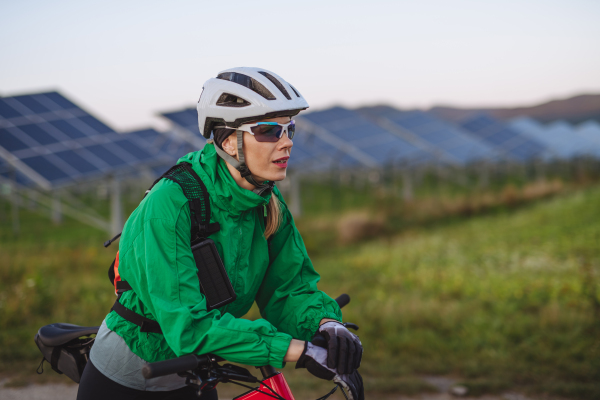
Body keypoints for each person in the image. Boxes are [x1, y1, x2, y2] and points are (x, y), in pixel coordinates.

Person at [77, 67, 364, 400]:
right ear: (229, 140)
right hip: (129, 376)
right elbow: (189, 326)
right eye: (269, 130)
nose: (286, 142)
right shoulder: (170, 204)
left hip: (196, 372)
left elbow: (289, 289)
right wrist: (298, 350)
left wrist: (326, 325)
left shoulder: (267, 201)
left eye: (290, 129)